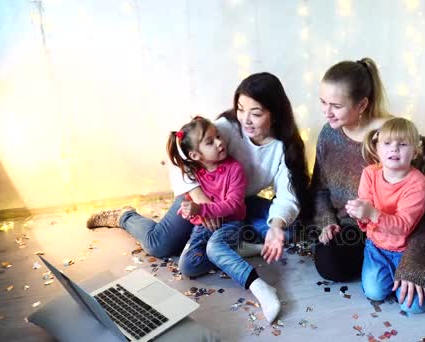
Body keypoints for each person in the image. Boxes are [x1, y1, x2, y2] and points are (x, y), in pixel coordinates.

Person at [86, 72, 311, 322]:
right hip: (201, 195)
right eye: (240, 108)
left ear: (275, 114)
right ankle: (124, 216)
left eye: (256, 113)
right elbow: (181, 157)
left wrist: (277, 226)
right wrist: (201, 200)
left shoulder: (284, 148)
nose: (245, 119)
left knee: (287, 231)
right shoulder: (226, 129)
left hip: (236, 202)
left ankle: (232, 246)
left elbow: (287, 195)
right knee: (159, 245)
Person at [167, 116, 280, 322]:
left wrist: (202, 209)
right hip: (204, 226)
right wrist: (188, 209)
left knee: (213, 247)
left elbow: (234, 205)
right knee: (188, 266)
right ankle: (235, 251)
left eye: (217, 136)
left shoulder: (234, 169)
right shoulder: (194, 173)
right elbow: (189, 201)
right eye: (210, 142)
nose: (220, 142)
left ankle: (259, 286)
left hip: (231, 223)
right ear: (195, 155)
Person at [345, 117, 425, 314]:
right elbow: (366, 216)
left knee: (413, 306)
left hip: (406, 252)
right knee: (374, 293)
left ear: (415, 151)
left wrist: (372, 213)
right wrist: (358, 212)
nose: (394, 149)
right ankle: (391, 278)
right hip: (377, 248)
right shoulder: (369, 174)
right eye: (387, 143)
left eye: (402, 144)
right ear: (377, 148)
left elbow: (403, 226)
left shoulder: (417, 183)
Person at [310, 57, 392, 281]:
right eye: (323, 102)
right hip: (345, 225)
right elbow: (320, 189)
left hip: (383, 226)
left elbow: (419, 195)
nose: (327, 112)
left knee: (337, 264)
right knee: (329, 263)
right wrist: (327, 223)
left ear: (362, 105)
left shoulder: (387, 139)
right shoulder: (328, 134)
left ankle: (383, 258)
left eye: (336, 106)